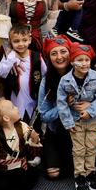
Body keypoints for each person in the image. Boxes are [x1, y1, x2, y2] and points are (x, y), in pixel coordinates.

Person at [56, 43, 96, 190]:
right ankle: (80, 176)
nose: (84, 63)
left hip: (92, 120)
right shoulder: (65, 80)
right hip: (75, 121)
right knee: (78, 150)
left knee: (91, 148)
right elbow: (61, 103)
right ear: (72, 62)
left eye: (87, 60)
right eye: (80, 60)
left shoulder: (95, 76)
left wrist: (90, 110)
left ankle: (91, 174)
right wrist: (68, 122)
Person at [0, 98, 40, 190]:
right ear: (6, 118)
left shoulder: (22, 126)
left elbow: (30, 140)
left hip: (19, 166)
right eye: (13, 107)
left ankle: (32, 171)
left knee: (26, 187)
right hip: (3, 169)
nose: (17, 107)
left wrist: (34, 138)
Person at [37, 35, 74, 180]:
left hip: (77, 132)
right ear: (49, 57)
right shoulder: (46, 81)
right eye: (54, 53)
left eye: (63, 51)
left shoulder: (82, 74)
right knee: (54, 174)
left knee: (76, 170)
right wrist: (63, 105)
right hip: (55, 131)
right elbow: (43, 115)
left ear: (70, 53)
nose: (59, 57)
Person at [0, 24, 47, 123]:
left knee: (32, 125)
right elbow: (1, 72)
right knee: (16, 124)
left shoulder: (37, 57)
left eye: (24, 40)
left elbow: (45, 74)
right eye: (16, 41)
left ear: (30, 40)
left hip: (33, 98)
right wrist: (11, 58)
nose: (21, 44)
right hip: (14, 98)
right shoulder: (8, 57)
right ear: (10, 42)